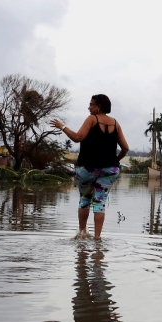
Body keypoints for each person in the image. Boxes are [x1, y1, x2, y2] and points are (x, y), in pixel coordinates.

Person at [50, 94, 129, 240]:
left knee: (85, 199)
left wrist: (62, 126)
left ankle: (82, 233)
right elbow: (125, 148)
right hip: (109, 171)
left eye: (91, 104)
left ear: (98, 106)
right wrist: (114, 161)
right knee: (100, 202)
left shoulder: (93, 118)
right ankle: (97, 238)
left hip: (87, 169)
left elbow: (78, 137)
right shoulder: (116, 124)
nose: (89, 107)